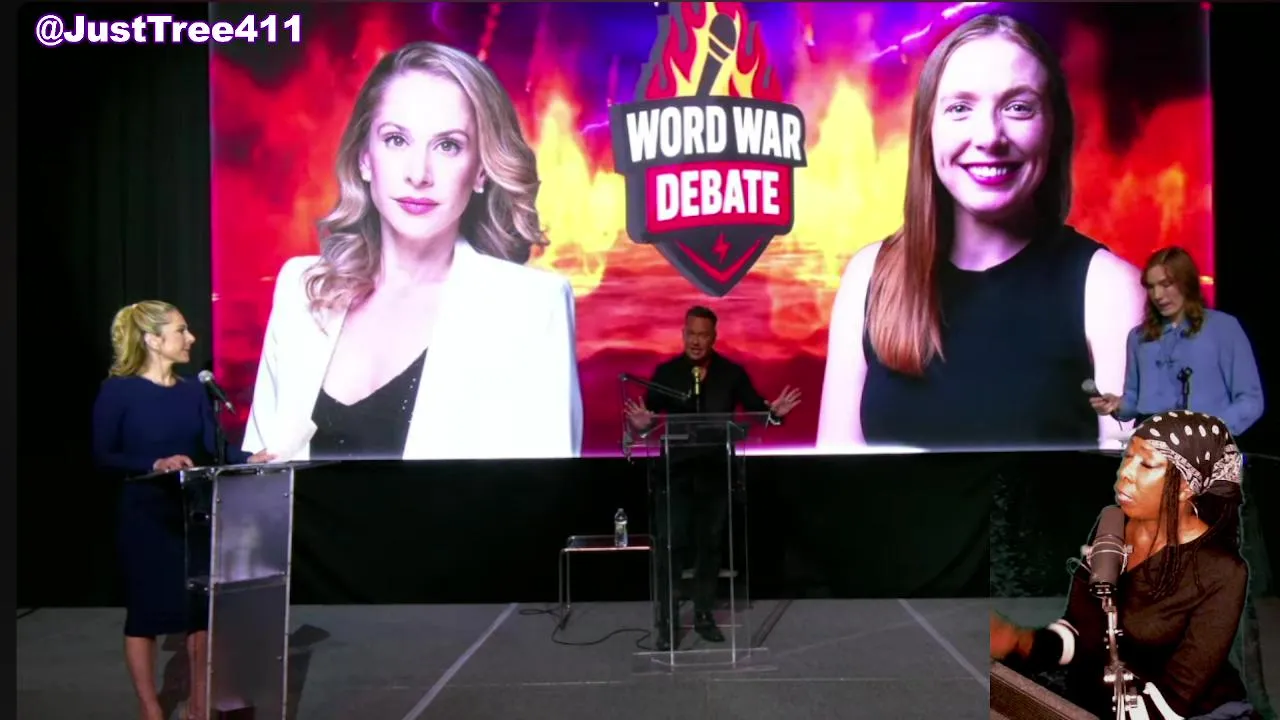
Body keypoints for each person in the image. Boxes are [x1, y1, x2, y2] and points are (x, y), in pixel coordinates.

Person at [816, 13, 1146, 452]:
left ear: (1054, 128)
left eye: (1018, 107)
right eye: (960, 108)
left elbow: (1139, 488)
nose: (990, 136)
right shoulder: (867, 278)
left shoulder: (1111, 291)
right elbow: (833, 481)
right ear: (928, 129)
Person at [243, 41, 582, 462]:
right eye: (396, 139)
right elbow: (261, 474)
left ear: (480, 170)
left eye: (448, 145)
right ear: (365, 159)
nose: (419, 174)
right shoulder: (302, 287)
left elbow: (549, 492)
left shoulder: (530, 305)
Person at [991, 411, 1256, 720]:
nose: (1124, 473)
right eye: (1127, 458)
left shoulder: (1222, 571)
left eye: (1146, 464)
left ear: (1186, 487)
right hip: (1113, 703)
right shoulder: (1113, 525)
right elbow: (1083, 631)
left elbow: (1177, 699)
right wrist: (1023, 643)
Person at [92, 301, 274, 720]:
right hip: (146, 517)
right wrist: (154, 463)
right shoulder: (118, 392)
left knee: (199, 613)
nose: (191, 338)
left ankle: (198, 704)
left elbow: (213, 447)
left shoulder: (194, 390)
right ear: (153, 340)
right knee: (145, 614)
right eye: (180, 331)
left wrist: (250, 458)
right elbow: (103, 455)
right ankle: (150, 706)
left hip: (191, 514)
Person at [624, 306, 801, 650]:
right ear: (683, 334)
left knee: (710, 544)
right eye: (691, 334)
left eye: (703, 335)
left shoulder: (731, 374)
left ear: (713, 338)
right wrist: (641, 426)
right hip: (675, 475)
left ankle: (703, 613)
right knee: (671, 545)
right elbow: (646, 418)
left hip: (715, 474)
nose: (696, 341)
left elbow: (757, 411)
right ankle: (667, 620)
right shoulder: (667, 373)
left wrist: (774, 415)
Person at [1090, 246, 1264, 438]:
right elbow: (1133, 401)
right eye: (1151, 287)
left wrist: (1210, 430)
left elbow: (1251, 400)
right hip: (1150, 447)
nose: (1157, 295)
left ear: (1186, 283)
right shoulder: (1139, 337)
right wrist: (1117, 405)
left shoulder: (1223, 328)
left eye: (1166, 284)